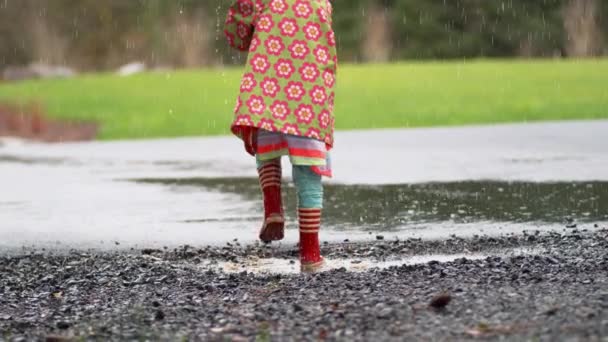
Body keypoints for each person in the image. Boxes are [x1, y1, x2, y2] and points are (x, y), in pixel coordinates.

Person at [224, 0, 337, 272]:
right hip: (309, 94)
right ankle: (310, 255)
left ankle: (273, 207)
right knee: (309, 172)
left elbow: (236, 31)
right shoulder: (321, 2)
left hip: (268, 86)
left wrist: (251, 31)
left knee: (266, 148)